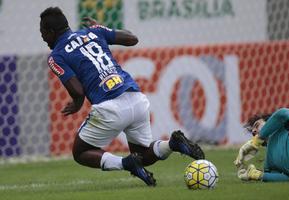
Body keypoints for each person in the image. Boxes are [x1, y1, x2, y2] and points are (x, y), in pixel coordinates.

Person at [39, 7, 205, 186]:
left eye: (43, 33)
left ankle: (125, 163)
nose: (42, 38)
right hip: (136, 98)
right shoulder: (93, 31)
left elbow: (78, 91)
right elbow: (132, 38)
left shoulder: (56, 56)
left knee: (80, 152)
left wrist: (77, 104)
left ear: (51, 32)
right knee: (143, 156)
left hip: (109, 108)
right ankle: (173, 144)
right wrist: (102, 28)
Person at [234, 107, 289, 182]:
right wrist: (257, 175)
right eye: (253, 133)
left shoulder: (285, 122)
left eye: (257, 125)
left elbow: (283, 113)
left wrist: (258, 138)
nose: (254, 131)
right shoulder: (269, 163)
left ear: (270, 120)